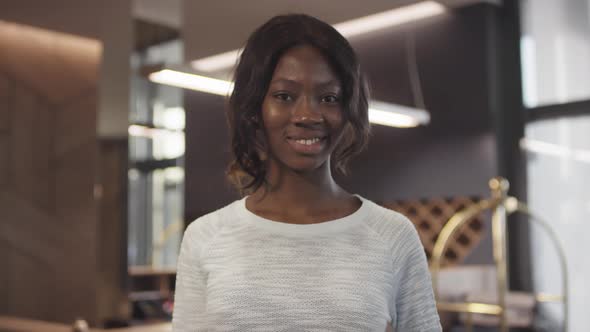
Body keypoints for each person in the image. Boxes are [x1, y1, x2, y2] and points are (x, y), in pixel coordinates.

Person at [172, 14, 441, 332]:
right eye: (284, 96)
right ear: (254, 107)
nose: (307, 115)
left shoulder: (393, 236)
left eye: (329, 98)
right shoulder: (205, 238)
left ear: (347, 110)